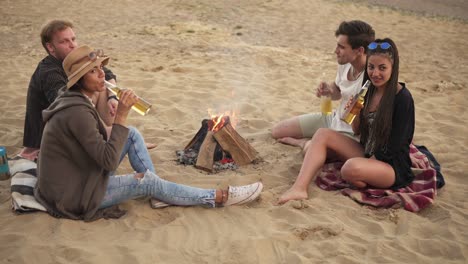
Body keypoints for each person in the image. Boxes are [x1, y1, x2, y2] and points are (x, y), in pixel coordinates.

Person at [34, 45, 263, 221]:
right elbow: (108, 160)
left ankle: (159, 193)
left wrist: (120, 123)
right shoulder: (77, 111)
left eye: (100, 68)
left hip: (77, 178)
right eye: (93, 71)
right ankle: (218, 197)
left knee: (131, 134)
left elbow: (101, 138)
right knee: (144, 180)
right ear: (79, 80)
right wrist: (121, 114)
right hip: (74, 196)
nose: (101, 74)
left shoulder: (75, 101)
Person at [278, 38, 415, 205]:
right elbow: (357, 130)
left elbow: (400, 142)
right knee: (322, 134)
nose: (375, 73)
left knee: (349, 168)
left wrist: (371, 161)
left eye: (382, 68)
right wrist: (354, 114)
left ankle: (361, 174)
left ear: (393, 69)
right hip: (365, 152)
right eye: (371, 67)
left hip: (389, 164)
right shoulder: (366, 89)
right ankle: (299, 188)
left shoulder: (402, 98)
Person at [20, 19, 154, 161]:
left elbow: (107, 74)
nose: (72, 45)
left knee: (99, 84)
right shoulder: (49, 72)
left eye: (73, 39)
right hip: (48, 138)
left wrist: (112, 98)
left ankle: (114, 136)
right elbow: (68, 107)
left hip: (74, 125)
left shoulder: (75, 62)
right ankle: (114, 136)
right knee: (92, 88)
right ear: (51, 47)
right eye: (64, 41)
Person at [272, 20, 375, 149]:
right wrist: (330, 91)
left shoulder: (372, 77)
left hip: (350, 134)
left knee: (313, 148)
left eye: (341, 47)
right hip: (333, 119)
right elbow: (338, 88)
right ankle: (313, 142)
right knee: (277, 131)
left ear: (359, 50)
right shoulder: (346, 64)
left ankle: (303, 143)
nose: (335, 51)